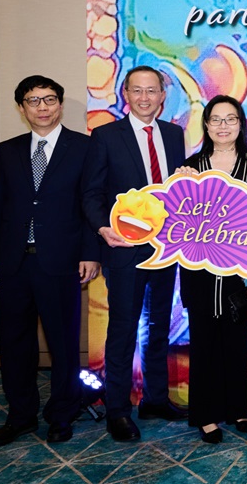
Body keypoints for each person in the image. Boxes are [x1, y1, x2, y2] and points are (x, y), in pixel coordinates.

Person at [0, 75, 100, 446]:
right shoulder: (8, 150)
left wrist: (90, 252)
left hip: (62, 262)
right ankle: (20, 416)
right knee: (15, 344)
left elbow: (90, 203)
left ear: (60, 104)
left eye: (49, 99)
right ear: (22, 108)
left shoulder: (84, 148)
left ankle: (62, 414)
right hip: (14, 263)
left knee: (63, 344)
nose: (42, 107)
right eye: (33, 101)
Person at [85, 65, 187, 442]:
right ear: (125, 94)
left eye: (152, 91)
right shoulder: (106, 136)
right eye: (137, 90)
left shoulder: (174, 135)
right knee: (123, 328)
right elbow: (91, 193)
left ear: (163, 96)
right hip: (125, 249)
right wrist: (103, 228)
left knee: (159, 325)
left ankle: (155, 399)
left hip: (165, 248)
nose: (145, 97)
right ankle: (117, 409)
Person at [175, 96, 247, 443]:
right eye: (216, 119)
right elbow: (175, 219)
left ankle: (237, 409)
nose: (223, 126)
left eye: (230, 119)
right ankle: (206, 415)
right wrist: (178, 185)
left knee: (235, 342)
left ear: (240, 124)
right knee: (203, 344)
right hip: (198, 270)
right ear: (206, 125)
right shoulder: (190, 166)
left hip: (239, 272)